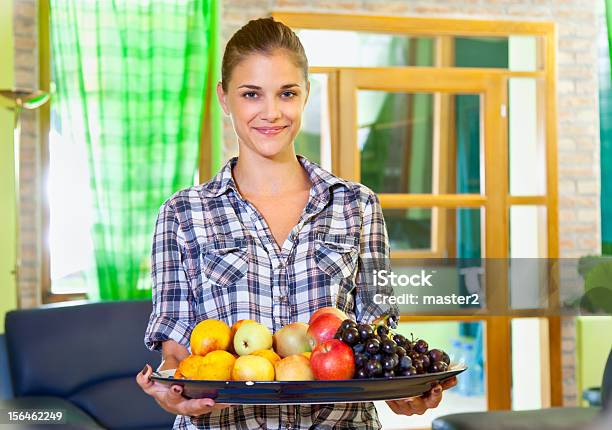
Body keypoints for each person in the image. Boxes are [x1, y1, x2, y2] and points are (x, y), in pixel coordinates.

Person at [136, 17, 456, 429]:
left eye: (287, 93)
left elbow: (372, 343)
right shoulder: (183, 213)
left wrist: (401, 391)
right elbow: (177, 356)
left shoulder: (356, 205)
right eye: (251, 94)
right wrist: (172, 396)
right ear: (224, 98)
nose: (271, 112)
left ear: (306, 94)